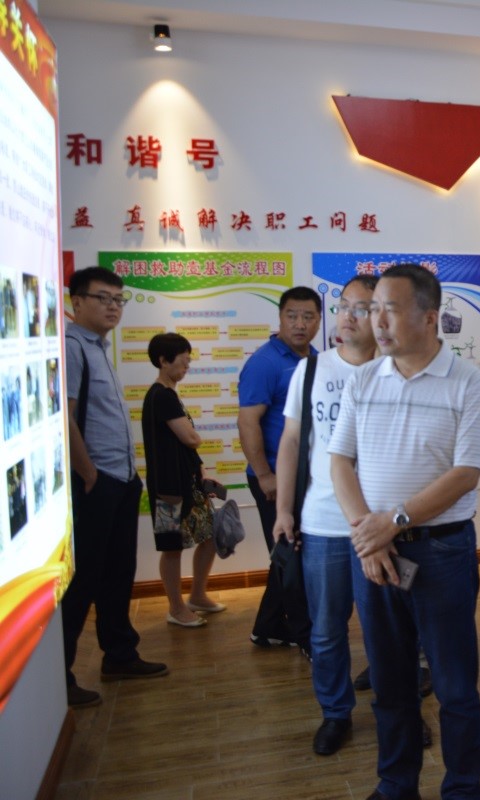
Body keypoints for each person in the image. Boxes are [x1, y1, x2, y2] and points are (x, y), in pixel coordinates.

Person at [329, 264, 480, 800]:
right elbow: (339, 462)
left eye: (390, 309)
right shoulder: (363, 380)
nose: (376, 321)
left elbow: (466, 472)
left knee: (453, 686)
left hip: (441, 551)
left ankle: (463, 788)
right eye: (371, 309)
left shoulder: (468, 381)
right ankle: (396, 785)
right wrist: (368, 536)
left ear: (430, 317)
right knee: (390, 683)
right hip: (374, 554)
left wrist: (393, 522)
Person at [272, 275, 378, 756]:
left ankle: (399, 710)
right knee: (326, 630)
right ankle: (336, 714)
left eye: (362, 308)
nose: (348, 316)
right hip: (323, 524)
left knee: (388, 630)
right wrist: (283, 511)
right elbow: (292, 441)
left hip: (381, 525)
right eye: (343, 305)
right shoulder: (312, 370)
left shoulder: (395, 369)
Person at [61, 267, 167, 708]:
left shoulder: (100, 348)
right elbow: (66, 418)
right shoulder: (72, 348)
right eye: (102, 298)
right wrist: (87, 473)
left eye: (118, 300)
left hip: (120, 479)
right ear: (76, 302)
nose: (112, 307)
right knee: (83, 578)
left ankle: (120, 654)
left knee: (118, 571)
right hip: (96, 481)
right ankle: (61, 676)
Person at [237, 286, 321, 652]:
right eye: (292, 316)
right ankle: (307, 638)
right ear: (280, 318)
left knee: (285, 555)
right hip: (274, 477)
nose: (300, 324)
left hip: (306, 478)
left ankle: (268, 626)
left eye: (308, 316)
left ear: (319, 320)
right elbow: (247, 422)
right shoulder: (265, 362)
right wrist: (265, 475)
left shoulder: (316, 359)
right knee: (293, 555)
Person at [142, 333, 224, 629]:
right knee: (172, 546)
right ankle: (176, 608)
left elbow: (186, 444)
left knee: (211, 536)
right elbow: (190, 438)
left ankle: (197, 595)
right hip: (168, 488)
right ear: (163, 361)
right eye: (183, 360)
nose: (187, 365)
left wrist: (200, 470)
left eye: (189, 360)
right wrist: (195, 437)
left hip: (187, 484)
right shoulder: (161, 396)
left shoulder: (169, 394)